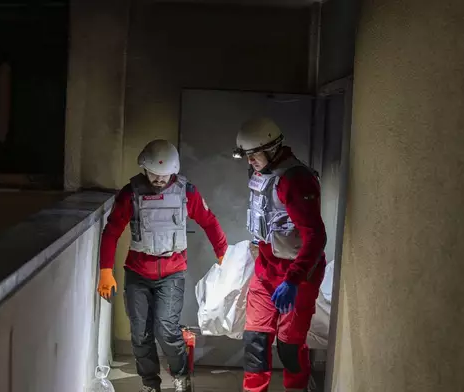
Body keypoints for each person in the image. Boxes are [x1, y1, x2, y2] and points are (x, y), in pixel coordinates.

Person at [97, 139, 228, 392]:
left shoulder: (186, 192)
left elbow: (209, 221)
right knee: (140, 334)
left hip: (172, 273)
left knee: (166, 329)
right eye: (155, 175)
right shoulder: (131, 193)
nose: (159, 180)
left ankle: (181, 376)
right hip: (137, 273)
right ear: (144, 168)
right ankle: (150, 384)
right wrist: (105, 271)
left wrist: (222, 252)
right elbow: (112, 231)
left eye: (164, 175)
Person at [233, 118, 327, 392]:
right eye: (247, 156)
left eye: (254, 154)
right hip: (266, 272)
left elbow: (316, 236)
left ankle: (296, 389)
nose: (250, 161)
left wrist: (294, 281)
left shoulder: (297, 180)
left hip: (297, 278)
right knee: (255, 342)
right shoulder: (261, 174)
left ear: (273, 148)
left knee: (290, 347)